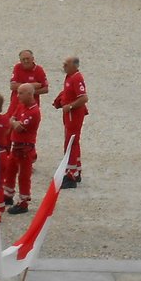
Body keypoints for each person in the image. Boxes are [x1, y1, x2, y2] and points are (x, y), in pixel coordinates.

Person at [53, 55, 89, 188]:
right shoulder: (69, 77)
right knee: (73, 141)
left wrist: (70, 106)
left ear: (74, 66)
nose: (64, 66)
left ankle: (71, 174)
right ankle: (76, 170)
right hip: (69, 114)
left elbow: (84, 98)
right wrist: (60, 100)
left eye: (66, 64)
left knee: (70, 142)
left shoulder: (77, 78)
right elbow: (68, 92)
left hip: (73, 115)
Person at [4, 82, 41, 213]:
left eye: (20, 93)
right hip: (16, 146)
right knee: (10, 170)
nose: (17, 95)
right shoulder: (22, 106)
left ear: (30, 94)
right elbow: (12, 119)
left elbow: (19, 127)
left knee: (24, 176)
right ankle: (8, 195)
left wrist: (14, 122)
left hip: (25, 149)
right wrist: (14, 122)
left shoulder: (34, 112)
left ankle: (23, 202)